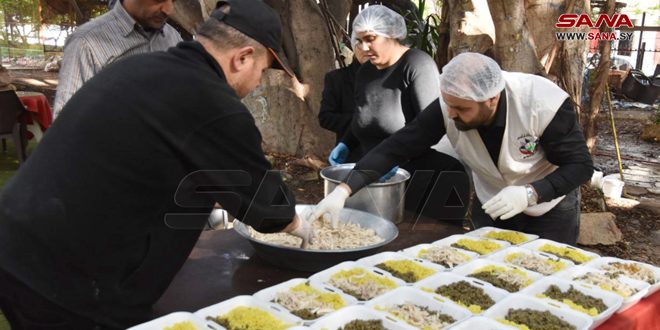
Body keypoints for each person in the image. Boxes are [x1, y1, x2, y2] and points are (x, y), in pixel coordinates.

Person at [0, 0, 313, 328]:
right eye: (262, 71)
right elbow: (267, 209)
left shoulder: (142, 69)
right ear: (243, 58)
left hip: (18, 242)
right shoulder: (212, 103)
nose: (259, 82)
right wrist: (299, 225)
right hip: (66, 280)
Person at [313, 52, 593, 245]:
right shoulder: (450, 107)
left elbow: (580, 165)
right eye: (449, 105)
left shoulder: (541, 103)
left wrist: (531, 193)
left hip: (550, 205)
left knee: (548, 278)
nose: (453, 115)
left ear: (491, 100)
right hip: (493, 199)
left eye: (461, 109)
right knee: (489, 273)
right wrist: (344, 190)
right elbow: (396, 147)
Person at [327, 5, 464, 217]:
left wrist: (395, 161)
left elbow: (429, 128)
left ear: (392, 34)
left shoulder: (416, 64)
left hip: (415, 175)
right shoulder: (365, 72)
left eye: (370, 39)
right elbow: (363, 117)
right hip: (371, 172)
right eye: (359, 41)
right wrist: (346, 142)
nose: (363, 48)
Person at [52, 0, 183, 118]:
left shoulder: (173, 38)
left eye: (174, 0)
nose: (168, 9)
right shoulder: (86, 43)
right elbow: (66, 120)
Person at [318, 45, 369, 162]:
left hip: (385, 155)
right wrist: (361, 121)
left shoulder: (389, 77)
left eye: (371, 40)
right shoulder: (337, 79)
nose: (366, 48)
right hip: (350, 156)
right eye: (360, 42)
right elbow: (325, 118)